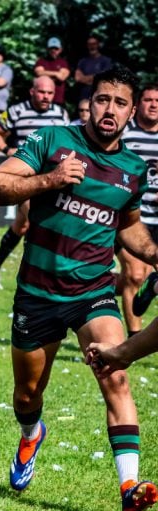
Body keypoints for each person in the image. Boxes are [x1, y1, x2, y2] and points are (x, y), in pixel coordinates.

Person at [0, 64, 158, 511]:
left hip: (94, 291)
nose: (110, 110)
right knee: (26, 395)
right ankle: (30, 433)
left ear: (132, 111)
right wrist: (51, 180)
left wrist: (155, 254)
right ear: (90, 102)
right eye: (103, 100)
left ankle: (128, 486)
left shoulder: (133, 169)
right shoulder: (53, 142)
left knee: (115, 374)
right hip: (38, 294)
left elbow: (129, 227)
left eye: (121, 103)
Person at [0, 76, 68, 289]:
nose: (46, 97)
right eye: (42, 92)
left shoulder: (61, 114)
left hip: (53, 180)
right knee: (35, 223)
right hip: (27, 179)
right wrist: (6, 150)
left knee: (22, 226)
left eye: (50, 93)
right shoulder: (15, 111)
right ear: (32, 91)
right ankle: (40, 279)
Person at [117, 83, 158, 333]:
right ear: (137, 104)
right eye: (148, 100)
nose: (153, 105)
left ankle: (153, 285)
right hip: (131, 218)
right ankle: (134, 338)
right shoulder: (123, 135)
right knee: (134, 274)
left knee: (139, 277)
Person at [73, 35, 111, 104]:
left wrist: (84, 78)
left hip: (100, 97)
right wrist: (95, 77)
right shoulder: (82, 61)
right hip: (84, 97)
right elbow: (77, 78)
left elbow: (104, 78)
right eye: (89, 44)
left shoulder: (105, 61)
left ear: (98, 45)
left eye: (94, 44)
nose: (92, 46)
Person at [33, 37, 69, 107]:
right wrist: (56, 74)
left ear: (60, 50)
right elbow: (39, 73)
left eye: (56, 48)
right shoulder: (41, 61)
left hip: (58, 99)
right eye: (51, 48)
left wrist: (45, 75)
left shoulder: (63, 63)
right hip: (41, 99)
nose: (53, 51)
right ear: (47, 49)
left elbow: (62, 77)